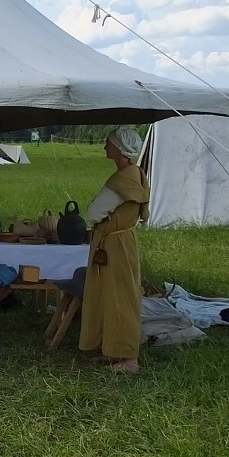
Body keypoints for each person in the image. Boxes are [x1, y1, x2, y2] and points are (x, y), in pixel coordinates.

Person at [80, 125, 150, 374]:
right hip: (121, 242)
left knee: (120, 298)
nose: (104, 146)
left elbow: (94, 212)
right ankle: (113, 350)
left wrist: (98, 220)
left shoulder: (123, 179)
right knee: (110, 296)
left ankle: (128, 358)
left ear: (120, 149)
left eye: (108, 143)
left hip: (115, 244)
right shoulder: (136, 173)